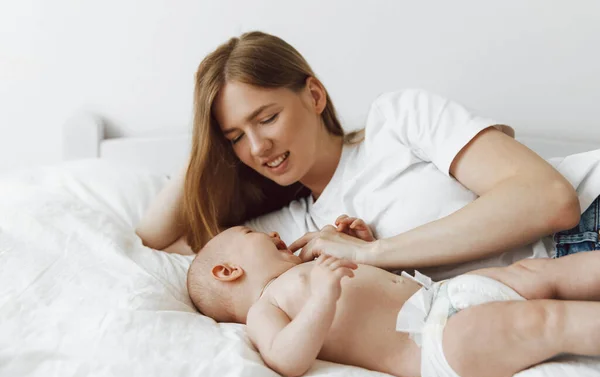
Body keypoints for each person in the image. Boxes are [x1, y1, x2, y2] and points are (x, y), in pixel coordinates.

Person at [136, 30, 600, 279]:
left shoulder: (395, 120)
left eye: (266, 118)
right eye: (235, 137)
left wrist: (376, 253)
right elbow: (159, 242)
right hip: (565, 283)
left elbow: (548, 199)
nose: (257, 148)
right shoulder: (292, 233)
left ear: (314, 96)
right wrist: (207, 144)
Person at [187, 224, 600, 377]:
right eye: (252, 232)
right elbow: (286, 358)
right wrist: (322, 298)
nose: (273, 231)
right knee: (541, 319)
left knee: (539, 272)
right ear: (228, 271)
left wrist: (362, 240)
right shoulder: (265, 306)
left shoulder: (310, 264)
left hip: (445, 294)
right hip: (437, 343)